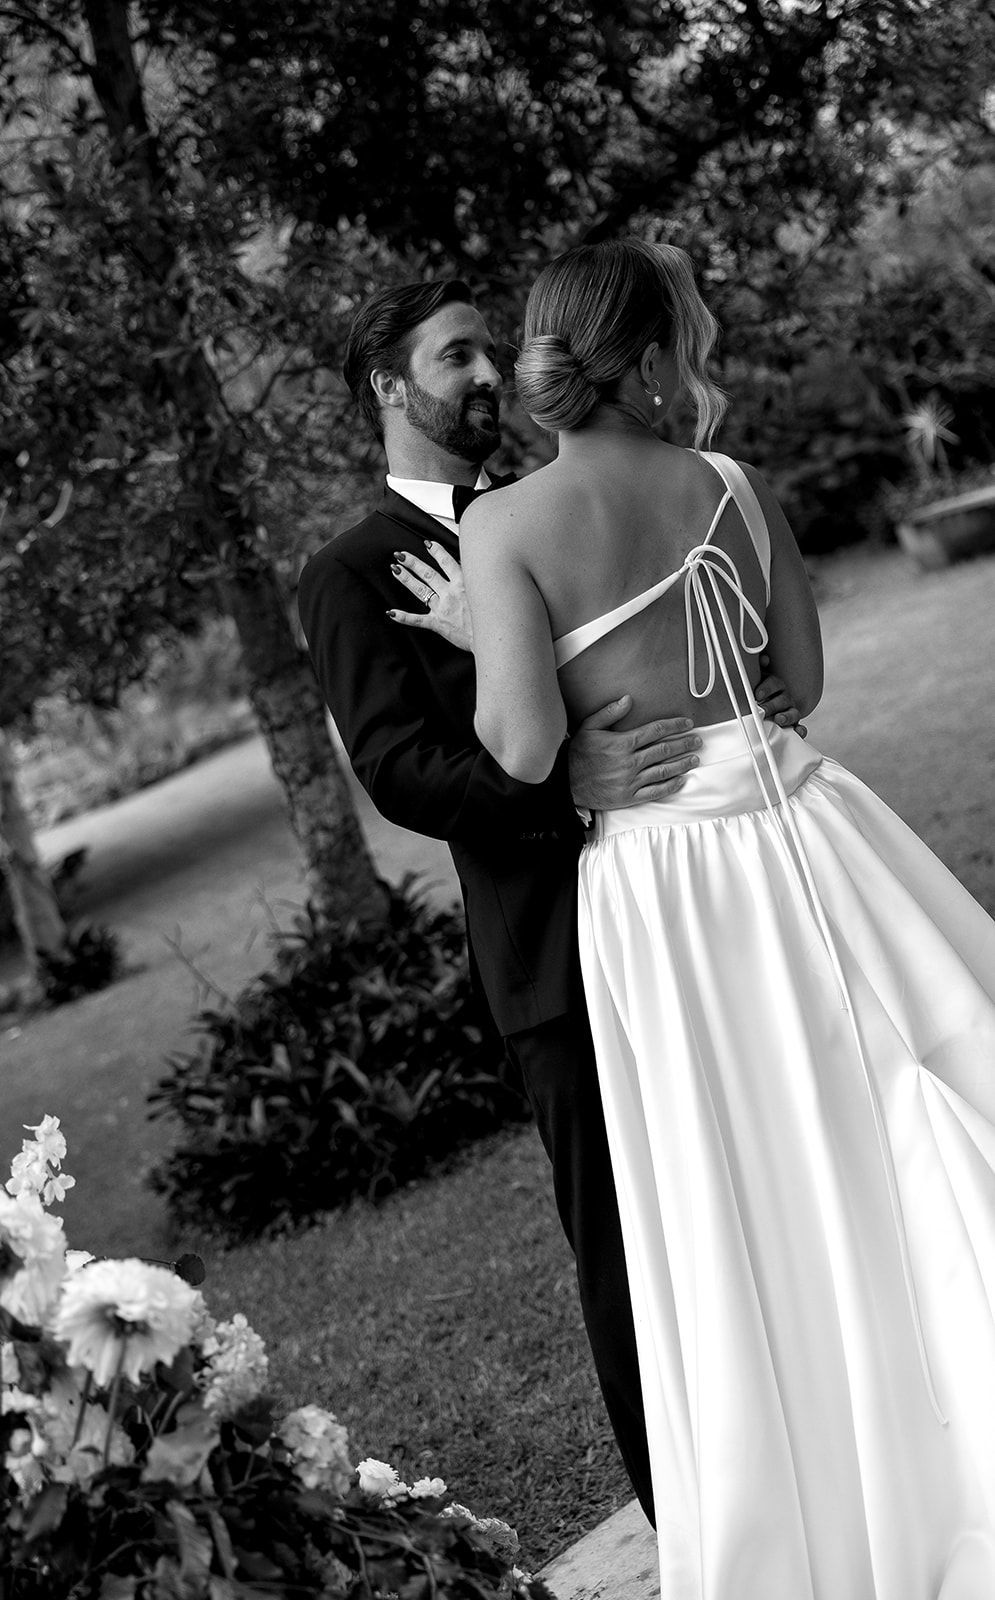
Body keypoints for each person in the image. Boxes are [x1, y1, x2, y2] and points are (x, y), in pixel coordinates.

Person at [461, 236, 995, 1600]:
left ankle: (815, 1493)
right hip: (803, 835)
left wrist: (485, 636)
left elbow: (520, 750)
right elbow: (796, 678)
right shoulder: (729, 486)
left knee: (735, 1187)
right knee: (883, 1121)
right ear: (646, 360)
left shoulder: (502, 530)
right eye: (687, 337)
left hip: (662, 886)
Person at [297, 278, 804, 1529]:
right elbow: (399, 766)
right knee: (631, 1247)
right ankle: (692, 1518)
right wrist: (555, 781)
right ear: (387, 386)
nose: (484, 377)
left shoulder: (545, 507)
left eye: (488, 352)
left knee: (755, 1180)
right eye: (454, 356)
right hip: (555, 951)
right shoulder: (348, 573)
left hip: (699, 888)